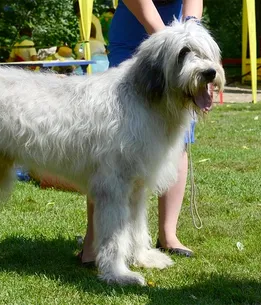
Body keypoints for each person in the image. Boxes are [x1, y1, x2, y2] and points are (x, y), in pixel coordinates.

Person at [78, 0, 203, 266]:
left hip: (181, 35)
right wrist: (171, 44)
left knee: (175, 140)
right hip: (142, 29)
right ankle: (93, 243)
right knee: (114, 150)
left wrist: (193, 32)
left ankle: (165, 236)